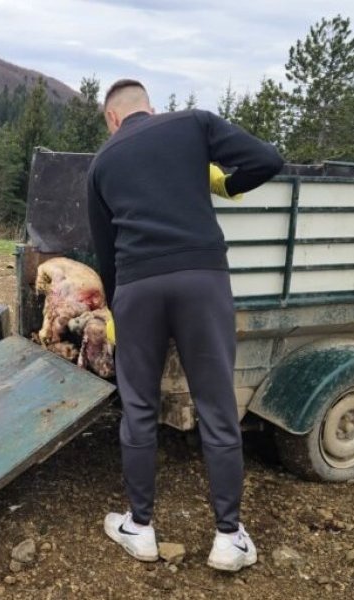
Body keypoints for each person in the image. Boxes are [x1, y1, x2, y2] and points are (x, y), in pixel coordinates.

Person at [87, 79, 284, 571]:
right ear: (147, 107)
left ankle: (141, 527)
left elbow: (103, 249)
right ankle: (227, 537)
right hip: (202, 279)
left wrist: (116, 309)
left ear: (112, 118)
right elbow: (268, 159)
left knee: (138, 410)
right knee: (217, 406)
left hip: (137, 287)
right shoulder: (193, 123)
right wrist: (226, 184)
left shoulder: (102, 162)